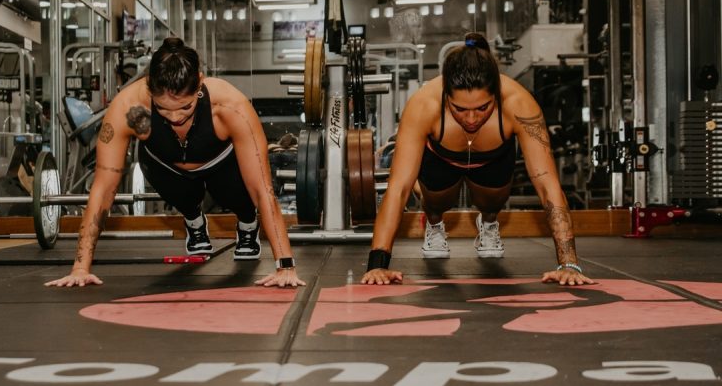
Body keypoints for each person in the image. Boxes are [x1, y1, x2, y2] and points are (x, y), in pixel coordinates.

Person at [46, 37, 304, 288]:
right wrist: (80, 267)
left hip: (221, 164)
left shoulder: (229, 106)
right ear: (149, 88)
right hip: (166, 166)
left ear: (200, 84)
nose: (175, 118)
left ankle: (247, 224)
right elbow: (103, 189)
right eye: (163, 109)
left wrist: (285, 265)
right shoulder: (129, 108)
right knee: (181, 192)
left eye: (185, 108)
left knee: (239, 195)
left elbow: (262, 189)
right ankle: (194, 220)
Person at [361, 33, 595, 287]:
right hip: (442, 158)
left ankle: (489, 224)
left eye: (482, 108)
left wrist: (568, 263)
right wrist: (377, 265)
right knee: (436, 202)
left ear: (496, 93)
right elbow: (398, 188)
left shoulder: (519, 104)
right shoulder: (423, 105)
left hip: (492, 159)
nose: (471, 119)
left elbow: (546, 183)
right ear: (446, 94)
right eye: (460, 109)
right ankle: (434, 224)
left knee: (492, 202)